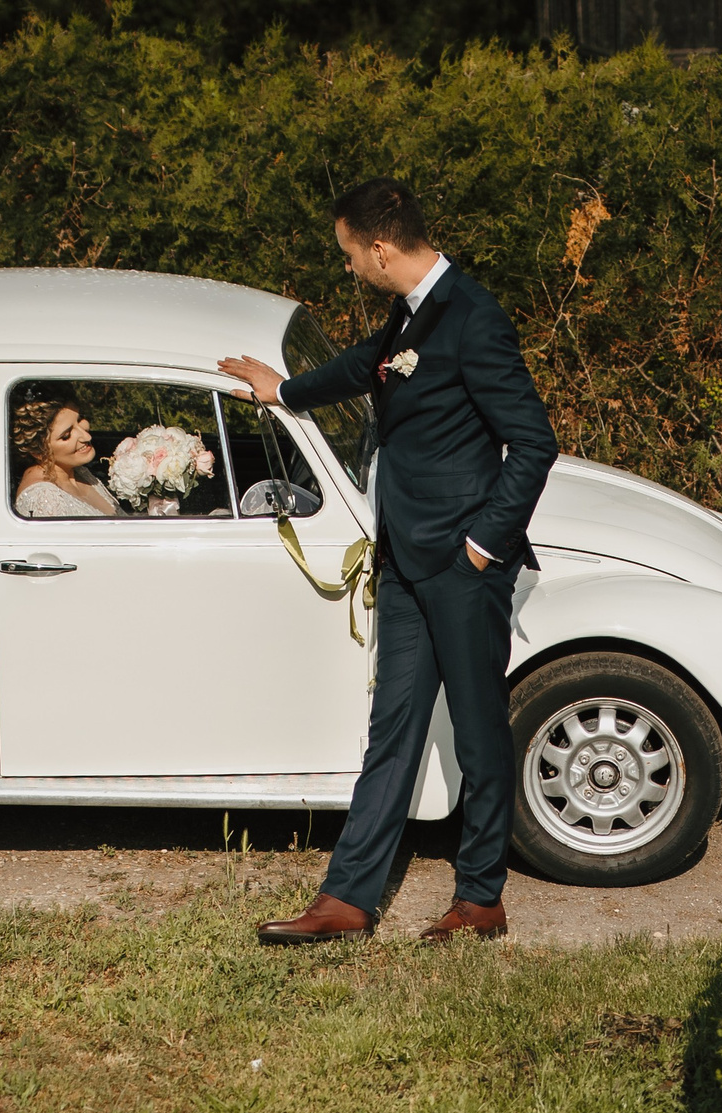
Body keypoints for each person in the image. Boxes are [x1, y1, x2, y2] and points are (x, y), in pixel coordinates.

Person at [219, 177, 558, 944]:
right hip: (404, 558)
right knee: (392, 725)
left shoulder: (473, 317)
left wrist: (482, 546)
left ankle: (480, 899)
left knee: (477, 732)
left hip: (463, 566)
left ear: (379, 248)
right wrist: (286, 391)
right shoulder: (409, 312)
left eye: (348, 255)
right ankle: (347, 899)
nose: (347, 269)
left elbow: (533, 442)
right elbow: (368, 366)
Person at [13, 394, 117, 517]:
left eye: (80, 420)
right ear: (39, 452)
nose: (87, 436)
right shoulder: (43, 498)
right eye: (66, 435)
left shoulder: (79, 472)